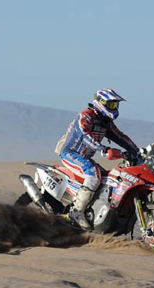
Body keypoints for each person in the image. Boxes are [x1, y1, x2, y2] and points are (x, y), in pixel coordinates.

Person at [55, 88, 139, 230]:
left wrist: (137, 151)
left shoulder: (105, 122)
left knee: (108, 178)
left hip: (84, 157)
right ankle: (76, 212)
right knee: (93, 175)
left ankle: (93, 211)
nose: (115, 108)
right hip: (70, 153)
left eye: (116, 105)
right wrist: (103, 149)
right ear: (101, 103)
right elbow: (85, 136)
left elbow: (120, 137)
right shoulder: (86, 116)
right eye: (111, 105)